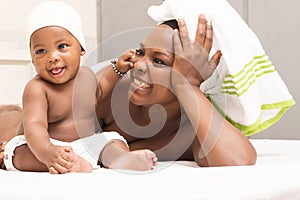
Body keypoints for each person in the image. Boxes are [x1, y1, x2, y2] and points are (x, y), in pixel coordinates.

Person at [0, 1, 157, 174]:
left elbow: (100, 91)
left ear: (81, 49)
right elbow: (34, 126)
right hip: (43, 146)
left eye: (62, 47)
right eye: (41, 51)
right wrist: (47, 152)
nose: (52, 57)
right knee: (19, 154)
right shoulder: (36, 89)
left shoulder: (86, 76)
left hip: (83, 144)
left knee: (111, 139)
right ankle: (64, 164)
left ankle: (120, 158)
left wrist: (118, 69)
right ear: (32, 58)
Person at [96, 14, 257, 166]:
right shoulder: (112, 89)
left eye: (159, 61)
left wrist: (187, 85)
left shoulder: (192, 128)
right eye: (141, 52)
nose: (137, 65)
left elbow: (237, 161)